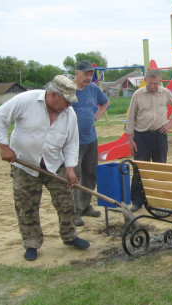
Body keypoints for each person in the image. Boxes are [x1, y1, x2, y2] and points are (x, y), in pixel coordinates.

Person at [0, 75, 91, 261]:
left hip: (54, 163)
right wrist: (4, 146)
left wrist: (70, 168)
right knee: (26, 205)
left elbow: (71, 143)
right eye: (67, 101)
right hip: (25, 164)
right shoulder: (25, 100)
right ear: (53, 95)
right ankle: (31, 243)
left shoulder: (69, 114)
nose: (69, 105)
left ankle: (70, 236)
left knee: (66, 201)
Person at [126, 69, 172, 212]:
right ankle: (137, 201)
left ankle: (159, 200)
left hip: (160, 135)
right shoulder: (137, 95)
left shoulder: (165, 93)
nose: (153, 86)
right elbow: (131, 117)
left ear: (160, 82)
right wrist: (131, 139)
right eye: (150, 83)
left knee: (160, 168)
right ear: (145, 81)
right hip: (141, 136)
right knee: (139, 168)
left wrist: (171, 123)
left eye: (156, 83)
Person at [72, 60, 110, 226]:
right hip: (72, 142)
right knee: (75, 176)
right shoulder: (68, 89)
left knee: (90, 173)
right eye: (86, 74)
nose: (89, 77)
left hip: (91, 139)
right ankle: (75, 212)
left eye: (91, 74)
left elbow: (105, 102)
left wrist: (98, 115)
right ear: (77, 73)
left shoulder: (93, 89)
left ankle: (85, 206)